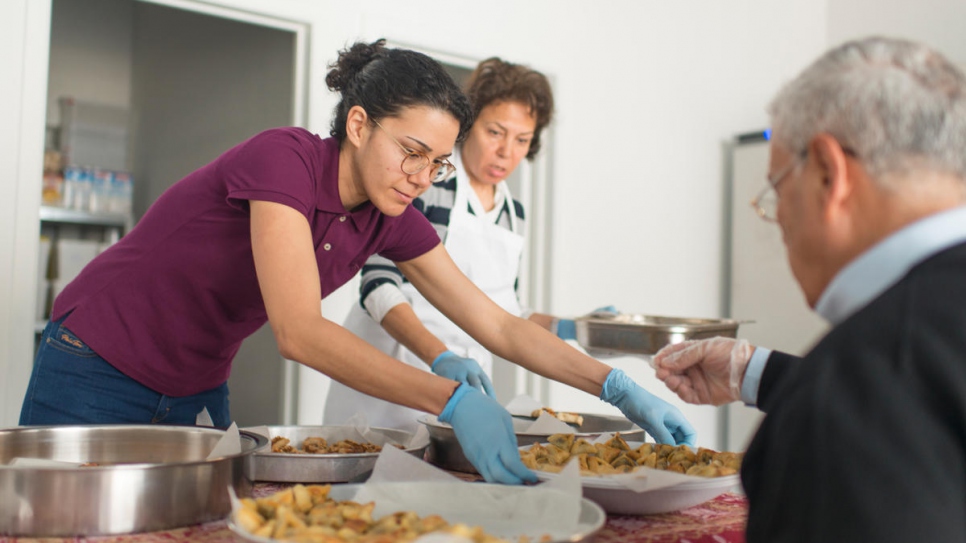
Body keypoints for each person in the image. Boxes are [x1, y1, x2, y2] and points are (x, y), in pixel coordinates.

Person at [20, 39, 694, 485]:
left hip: (196, 384)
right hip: (96, 358)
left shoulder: (389, 215)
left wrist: (615, 387)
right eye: (411, 151)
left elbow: (500, 324)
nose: (422, 175)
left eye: (436, 162)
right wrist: (450, 396)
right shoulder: (281, 158)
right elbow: (299, 331)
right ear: (361, 124)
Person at [652, 36, 966, 542]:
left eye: (777, 191)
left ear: (827, 172)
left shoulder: (849, 401)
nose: (779, 224)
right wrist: (751, 372)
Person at [325, 57, 622, 433]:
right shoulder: (426, 184)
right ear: (468, 126)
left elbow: (504, 312)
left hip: (460, 392)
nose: (506, 152)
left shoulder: (513, 213)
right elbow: (378, 284)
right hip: (387, 385)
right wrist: (441, 357)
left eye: (522, 140)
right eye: (495, 132)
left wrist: (574, 328)